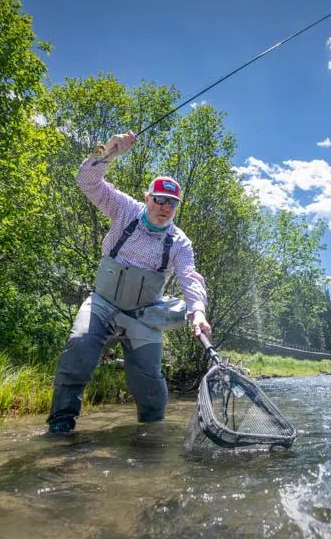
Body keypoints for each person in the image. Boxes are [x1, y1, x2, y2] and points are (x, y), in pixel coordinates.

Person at [46, 131, 211, 434]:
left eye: (171, 203)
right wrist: (108, 152)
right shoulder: (125, 209)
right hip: (103, 303)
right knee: (79, 348)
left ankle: (150, 439)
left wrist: (198, 312)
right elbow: (87, 182)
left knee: (148, 383)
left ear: (176, 207)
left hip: (143, 316)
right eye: (159, 199)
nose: (164, 207)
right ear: (148, 197)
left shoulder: (179, 242)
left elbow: (190, 277)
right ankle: (59, 427)